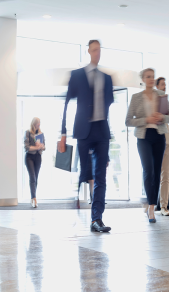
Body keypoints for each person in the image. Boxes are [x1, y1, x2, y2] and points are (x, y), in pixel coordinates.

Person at [58, 39, 114, 233]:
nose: (98, 53)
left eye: (100, 50)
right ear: (89, 51)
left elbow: (108, 108)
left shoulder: (107, 79)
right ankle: (74, 205)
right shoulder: (77, 76)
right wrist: (63, 133)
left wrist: (109, 133)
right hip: (82, 130)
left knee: (101, 177)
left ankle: (96, 219)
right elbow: (66, 103)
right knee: (85, 172)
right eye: (95, 50)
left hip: (101, 131)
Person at [126, 68, 169, 223]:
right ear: (142, 79)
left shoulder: (161, 96)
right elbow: (128, 121)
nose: (151, 79)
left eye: (152, 77)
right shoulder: (136, 98)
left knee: (156, 172)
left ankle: (152, 207)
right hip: (143, 137)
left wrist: (162, 117)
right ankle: (151, 206)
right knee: (148, 170)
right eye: (148, 77)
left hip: (159, 136)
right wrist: (146, 120)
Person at [156, 77, 169, 216]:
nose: (164, 87)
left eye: (165, 85)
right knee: (153, 174)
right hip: (155, 141)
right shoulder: (151, 104)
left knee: (166, 175)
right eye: (162, 85)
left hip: (168, 143)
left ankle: (164, 206)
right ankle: (152, 204)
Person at [24, 117, 45, 208]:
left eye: (39, 123)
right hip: (29, 157)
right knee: (32, 177)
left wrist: (41, 146)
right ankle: (34, 198)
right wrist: (36, 147)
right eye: (37, 123)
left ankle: (33, 197)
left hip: (38, 157)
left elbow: (44, 147)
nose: (39, 124)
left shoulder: (41, 134)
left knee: (35, 177)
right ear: (34, 123)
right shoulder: (28, 133)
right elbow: (27, 147)